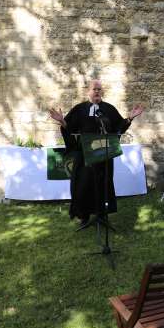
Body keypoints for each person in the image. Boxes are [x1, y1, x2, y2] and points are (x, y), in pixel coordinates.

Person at [48, 80, 144, 226]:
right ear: (88, 91)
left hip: (103, 156)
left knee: (102, 185)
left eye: (99, 89)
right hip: (84, 156)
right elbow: (70, 128)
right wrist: (63, 121)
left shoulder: (109, 109)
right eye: (95, 89)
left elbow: (118, 127)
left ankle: (102, 215)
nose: (97, 91)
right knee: (83, 185)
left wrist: (129, 118)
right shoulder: (80, 109)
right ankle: (84, 215)